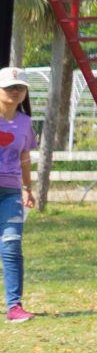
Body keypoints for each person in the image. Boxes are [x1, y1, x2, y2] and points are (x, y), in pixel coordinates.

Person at [0, 68, 32, 322]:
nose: (15, 91)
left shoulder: (25, 123)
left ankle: (15, 307)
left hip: (11, 192)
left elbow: (25, 158)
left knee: (11, 246)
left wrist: (28, 188)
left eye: (19, 87)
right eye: (9, 87)